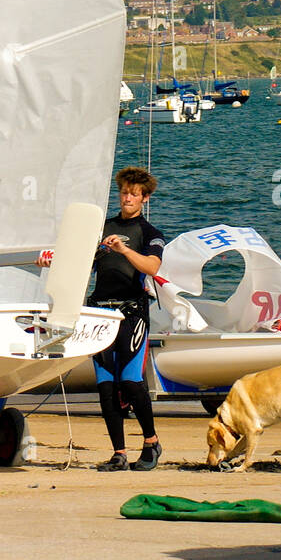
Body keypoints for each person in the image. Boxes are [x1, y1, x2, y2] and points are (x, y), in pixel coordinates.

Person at [89, 166, 166, 471]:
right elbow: (81, 261)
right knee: (106, 386)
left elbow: (152, 267)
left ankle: (151, 442)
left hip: (132, 313)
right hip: (100, 313)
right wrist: (52, 259)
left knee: (131, 383)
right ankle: (119, 452)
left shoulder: (150, 233)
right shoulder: (102, 227)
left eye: (134, 194)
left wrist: (122, 249)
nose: (127, 198)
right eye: (124, 193)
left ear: (144, 198)